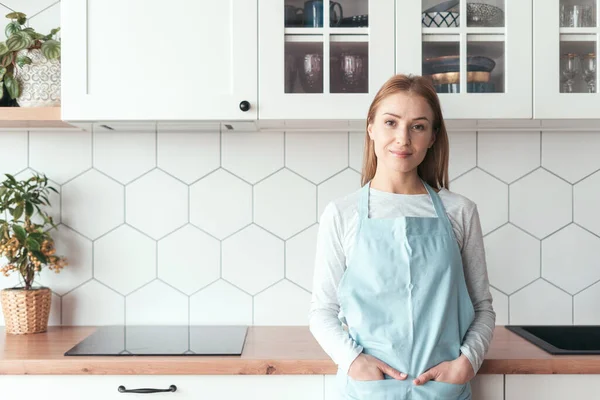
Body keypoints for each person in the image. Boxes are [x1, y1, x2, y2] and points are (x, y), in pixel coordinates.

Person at [308, 74, 496, 399]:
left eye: (418, 126)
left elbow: (482, 307)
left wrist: (467, 363)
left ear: (433, 136)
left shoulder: (460, 211)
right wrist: (353, 362)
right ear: (371, 128)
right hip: (369, 390)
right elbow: (322, 310)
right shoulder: (342, 214)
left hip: (442, 391)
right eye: (391, 123)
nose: (403, 139)